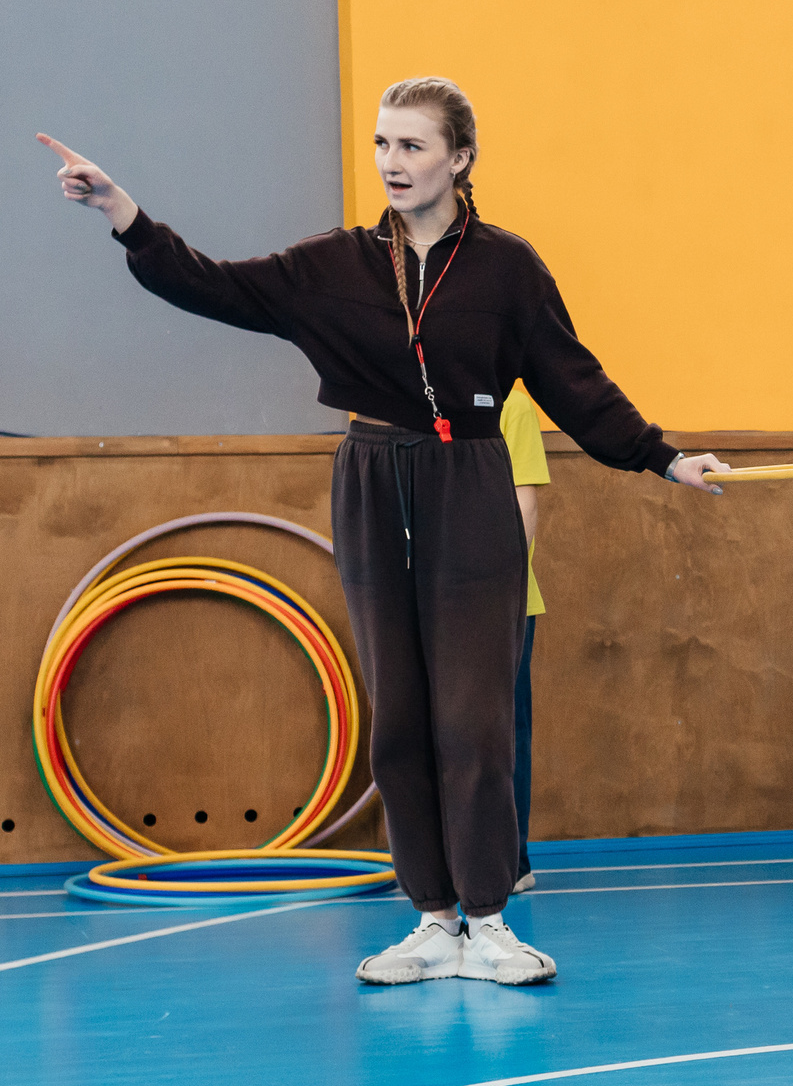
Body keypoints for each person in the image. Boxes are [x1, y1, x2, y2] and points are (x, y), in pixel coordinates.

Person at [37, 81, 726, 988]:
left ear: (460, 159)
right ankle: (433, 920)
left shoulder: (509, 269)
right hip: (370, 478)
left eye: (412, 145)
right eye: (382, 144)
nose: (392, 163)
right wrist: (126, 214)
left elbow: (573, 380)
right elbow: (215, 285)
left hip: (471, 482)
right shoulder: (335, 264)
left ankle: (489, 920)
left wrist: (661, 458)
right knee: (399, 715)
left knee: (473, 717)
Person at [501, 383, 551, 895]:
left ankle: (512, 861)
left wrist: (504, 588)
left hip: (503, 601)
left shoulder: (512, 404)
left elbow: (524, 506)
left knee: (507, 730)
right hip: (437, 598)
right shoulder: (419, 393)